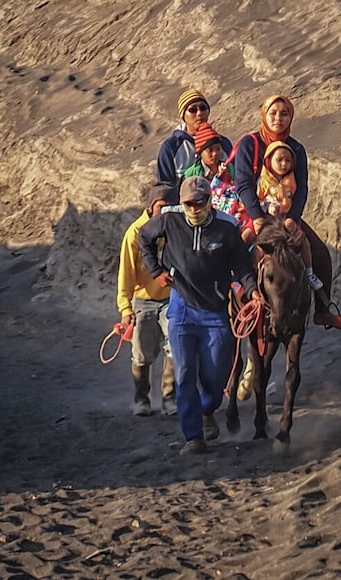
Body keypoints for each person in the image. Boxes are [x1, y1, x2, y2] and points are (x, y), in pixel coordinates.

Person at [139, 176, 261, 455]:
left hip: (215, 310)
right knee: (184, 374)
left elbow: (241, 265)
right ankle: (193, 436)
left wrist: (252, 290)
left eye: (200, 202)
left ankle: (208, 409)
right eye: (188, 203)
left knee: (217, 374)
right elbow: (143, 237)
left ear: (209, 201)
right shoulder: (169, 220)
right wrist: (155, 270)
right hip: (181, 309)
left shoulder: (227, 226)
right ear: (181, 203)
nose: (194, 208)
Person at [233, 94, 341, 330]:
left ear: (291, 117)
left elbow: (301, 189)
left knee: (319, 252)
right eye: (273, 113)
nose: (278, 118)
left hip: (284, 214)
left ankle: (322, 309)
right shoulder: (250, 144)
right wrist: (257, 218)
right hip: (252, 212)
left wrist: (292, 220)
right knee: (232, 249)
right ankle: (224, 299)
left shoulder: (296, 149)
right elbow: (244, 183)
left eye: (284, 113)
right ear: (264, 115)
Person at [116, 183, 177, 417]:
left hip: (172, 300)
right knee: (141, 352)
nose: (165, 212)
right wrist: (125, 308)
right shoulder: (135, 232)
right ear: (151, 206)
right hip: (144, 301)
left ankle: (170, 398)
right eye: (161, 206)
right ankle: (141, 398)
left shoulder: (176, 229)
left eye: (170, 207)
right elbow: (126, 273)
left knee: (175, 347)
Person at [253, 140, 324, 290]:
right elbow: (258, 198)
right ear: (268, 161)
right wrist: (266, 207)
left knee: (303, 241)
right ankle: (252, 276)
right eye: (279, 160)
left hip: (286, 220)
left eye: (288, 160)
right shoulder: (264, 181)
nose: (284, 164)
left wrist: (292, 217)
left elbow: (297, 196)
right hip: (269, 222)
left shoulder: (291, 181)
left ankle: (309, 272)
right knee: (257, 245)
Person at [155, 88, 233, 200]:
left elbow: (236, 176)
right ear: (183, 116)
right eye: (192, 110)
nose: (199, 113)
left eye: (203, 108)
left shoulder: (223, 143)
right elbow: (165, 185)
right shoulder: (171, 147)